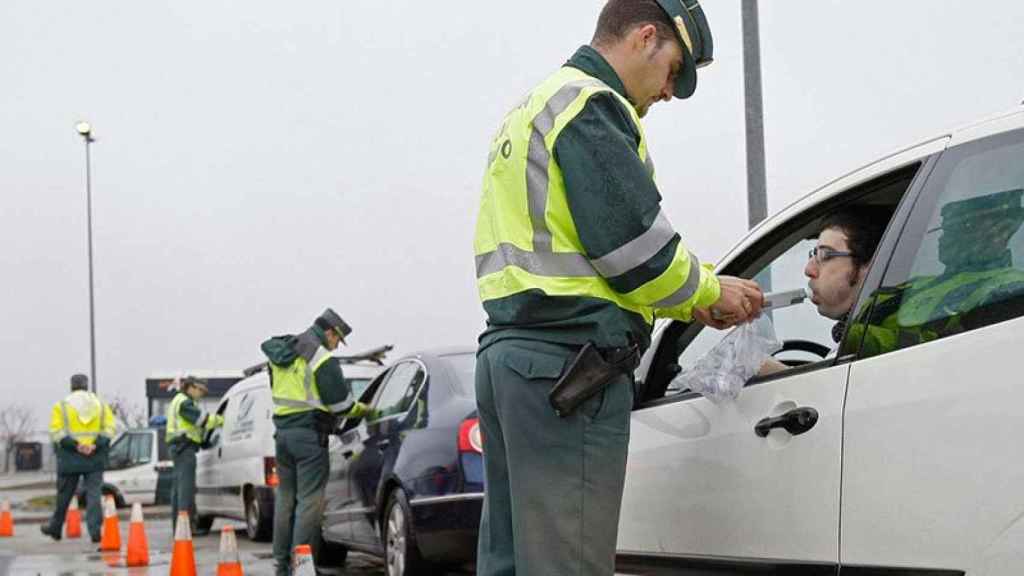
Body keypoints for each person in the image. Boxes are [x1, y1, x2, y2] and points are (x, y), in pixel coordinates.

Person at [471, 1, 763, 573]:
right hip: (570, 370)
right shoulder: (591, 106)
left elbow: (590, 253)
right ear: (645, 37)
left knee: (513, 560)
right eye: (675, 69)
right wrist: (709, 293)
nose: (670, 92)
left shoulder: (534, 107)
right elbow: (635, 252)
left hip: (514, 362)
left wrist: (687, 296)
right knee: (567, 563)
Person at [261, 308, 372, 575]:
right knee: (310, 503)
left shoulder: (284, 350)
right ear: (330, 332)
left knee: (286, 500)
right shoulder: (321, 359)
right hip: (310, 437)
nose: (336, 346)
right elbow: (341, 405)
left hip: (283, 436)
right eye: (337, 340)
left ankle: (282, 565)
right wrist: (364, 410)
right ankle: (302, 565)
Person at [847, 188, 1024, 356]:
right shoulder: (907, 286)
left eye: (961, 226)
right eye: (945, 228)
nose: (944, 237)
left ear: (1003, 231)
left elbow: (947, 348)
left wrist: (860, 337)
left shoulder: (1009, 289)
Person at [760, 207, 888, 374]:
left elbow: (836, 395)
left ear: (870, 265)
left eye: (826, 255)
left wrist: (766, 369)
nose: (809, 269)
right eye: (813, 254)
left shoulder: (878, 339)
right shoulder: (866, 333)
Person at [40, 373, 115, 544]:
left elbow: (57, 432)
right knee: (94, 495)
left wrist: (76, 446)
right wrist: (95, 444)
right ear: (86, 385)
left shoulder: (62, 406)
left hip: (70, 458)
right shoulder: (100, 405)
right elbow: (110, 429)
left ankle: (55, 528)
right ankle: (95, 531)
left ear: (72, 386)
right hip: (94, 457)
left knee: (64, 495)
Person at [165, 376, 223, 533]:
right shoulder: (185, 403)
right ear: (191, 387)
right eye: (201, 390)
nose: (202, 394)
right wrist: (221, 419)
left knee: (179, 489)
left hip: (179, 447)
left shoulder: (179, 400)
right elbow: (202, 420)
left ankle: (180, 527)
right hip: (184, 448)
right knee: (185, 490)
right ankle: (185, 527)